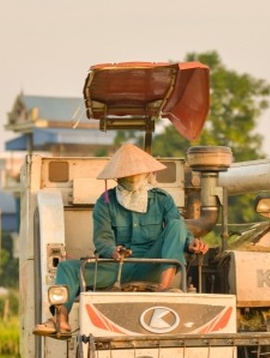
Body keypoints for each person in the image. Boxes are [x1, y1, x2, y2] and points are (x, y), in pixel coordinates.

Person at [35, 144, 209, 336]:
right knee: (67, 268)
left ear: (147, 173)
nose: (133, 179)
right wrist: (112, 251)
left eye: (136, 174)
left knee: (177, 225)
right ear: (117, 178)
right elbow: (102, 239)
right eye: (127, 176)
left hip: (154, 264)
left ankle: (163, 288)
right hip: (116, 266)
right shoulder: (105, 202)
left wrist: (191, 243)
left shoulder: (162, 199)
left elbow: (179, 233)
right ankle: (60, 319)